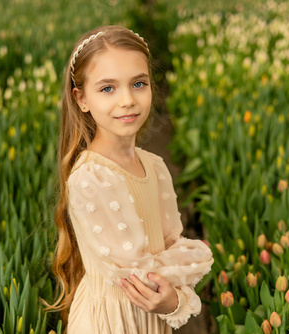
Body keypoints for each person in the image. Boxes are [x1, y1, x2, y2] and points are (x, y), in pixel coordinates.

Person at [42, 25, 214, 333]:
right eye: (108, 88)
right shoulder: (90, 178)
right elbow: (139, 279)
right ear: (81, 99)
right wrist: (181, 269)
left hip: (152, 320)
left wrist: (173, 301)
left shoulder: (155, 166)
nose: (127, 100)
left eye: (138, 84)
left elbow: (171, 245)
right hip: (111, 323)